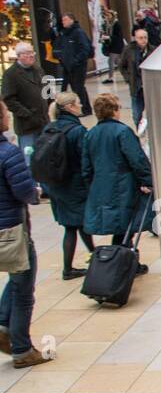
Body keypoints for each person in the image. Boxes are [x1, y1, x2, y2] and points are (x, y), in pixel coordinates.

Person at [81, 93, 152, 274]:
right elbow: (136, 159)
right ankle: (123, 264)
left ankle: (128, 262)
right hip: (123, 186)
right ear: (113, 111)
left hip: (102, 186)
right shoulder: (122, 132)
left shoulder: (91, 134)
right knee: (125, 225)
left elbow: (86, 167)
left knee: (121, 226)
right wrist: (148, 180)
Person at [0, 100, 47, 367]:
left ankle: (3, 327)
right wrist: (35, 194)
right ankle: (21, 349)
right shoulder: (9, 152)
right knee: (23, 288)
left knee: (16, 280)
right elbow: (24, 191)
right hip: (12, 229)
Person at [42, 92, 96, 280]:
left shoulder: (50, 127)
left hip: (57, 184)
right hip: (75, 184)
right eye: (78, 103)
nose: (81, 106)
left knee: (74, 225)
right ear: (70, 107)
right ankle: (71, 267)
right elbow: (85, 159)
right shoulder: (77, 131)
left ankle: (92, 257)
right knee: (76, 225)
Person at [2, 43, 49, 166]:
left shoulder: (38, 69)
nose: (31, 55)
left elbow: (46, 89)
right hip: (27, 126)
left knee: (45, 158)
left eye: (32, 52)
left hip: (43, 122)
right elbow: (9, 100)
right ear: (19, 56)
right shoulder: (11, 74)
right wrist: (27, 114)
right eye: (27, 53)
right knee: (29, 160)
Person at [53, 13, 93, 113]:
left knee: (78, 88)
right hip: (67, 66)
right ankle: (65, 109)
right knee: (65, 87)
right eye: (62, 20)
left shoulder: (78, 33)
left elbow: (85, 49)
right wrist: (61, 58)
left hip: (78, 66)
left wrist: (75, 60)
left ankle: (86, 109)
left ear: (72, 20)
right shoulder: (64, 34)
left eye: (65, 20)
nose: (63, 22)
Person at [119, 27, 152, 128]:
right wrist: (128, 78)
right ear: (135, 39)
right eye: (140, 38)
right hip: (135, 86)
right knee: (137, 114)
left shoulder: (153, 50)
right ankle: (139, 129)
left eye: (145, 37)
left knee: (153, 112)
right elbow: (122, 66)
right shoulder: (129, 50)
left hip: (150, 87)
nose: (143, 40)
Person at [100, 10, 125, 84]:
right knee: (118, 62)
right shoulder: (107, 25)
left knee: (111, 61)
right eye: (106, 15)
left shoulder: (116, 24)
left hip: (117, 46)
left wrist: (109, 37)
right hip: (112, 46)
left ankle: (110, 78)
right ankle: (127, 74)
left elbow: (119, 36)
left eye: (108, 15)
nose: (107, 17)